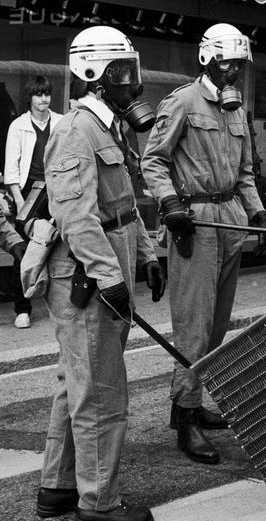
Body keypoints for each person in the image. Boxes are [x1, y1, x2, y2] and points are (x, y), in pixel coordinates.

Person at [38, 26, 165, 521]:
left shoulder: (108, 128)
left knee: (77, 382)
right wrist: (110, 277)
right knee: (101, 393)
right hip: (87, 281)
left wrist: (149, 255)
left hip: (108, 266)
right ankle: (99, 504)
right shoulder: (75, 131)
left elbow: (127, 204)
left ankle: (58, 488)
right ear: (98, 74)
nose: (136, 86)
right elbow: (76, 216)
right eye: (127, 75)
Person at [141, 23, 266, 464]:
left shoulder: (237, 108)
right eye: (225, 61)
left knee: (216, 328)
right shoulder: (181, 102)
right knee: (193, 330)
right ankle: (185, 418)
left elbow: (246, 172)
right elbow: (153, 161)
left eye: (238, 63)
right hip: (193, 223)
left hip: (231, 221)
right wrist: (170, 203)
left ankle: (195, 402)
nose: (232, 70)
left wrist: (257, 212)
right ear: (207, 59)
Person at [4, 75, 62, 328]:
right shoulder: (18, 125)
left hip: (57, 190)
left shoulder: (61, 122)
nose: (44, 99)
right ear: (30, 98)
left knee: (60, 248)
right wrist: (20, 203)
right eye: (39, 94)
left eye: (47, 94)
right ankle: (22, 309)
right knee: (26, 252)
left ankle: (58, 304)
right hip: (28, 193)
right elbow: (11, 167)